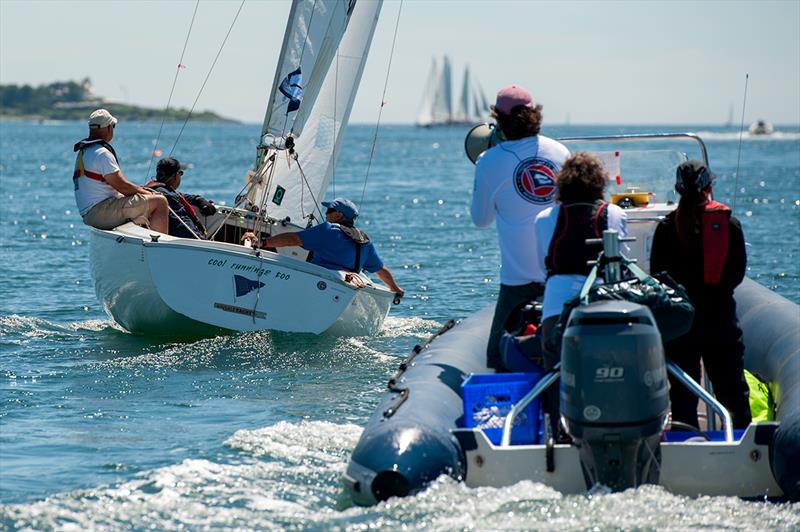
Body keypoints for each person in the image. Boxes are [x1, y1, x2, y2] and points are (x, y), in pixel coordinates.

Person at [470, 84, 570, 370]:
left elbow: (481, 220)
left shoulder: (488, 161)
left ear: (498, 121)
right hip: (560, 276)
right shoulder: (560, 151)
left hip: (518, 281)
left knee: (497, 359)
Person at [650, 160, 751, 429]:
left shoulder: (666, 227)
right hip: (720, 320)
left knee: (683, 396)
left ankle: (687, 443)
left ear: (677, 189)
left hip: (682, 325)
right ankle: (741, 445)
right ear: (709, 187)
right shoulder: (730, 224)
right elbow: (736, 275)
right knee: (733, 393)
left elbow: (658, 276)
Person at [534, 152, 628, 438]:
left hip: (556, 308)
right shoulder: (614, 214)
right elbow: (622, 262)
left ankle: (557, 434)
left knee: (555, 372)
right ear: (599, 182)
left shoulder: (544, 218)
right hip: (604, 307)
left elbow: (543, 265)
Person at [241, 198, 404, 296]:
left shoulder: (328, 230)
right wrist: (395, 288)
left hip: (318, 283)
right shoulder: (365, 240)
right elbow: (380, 270)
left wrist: (263, 243)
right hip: (349, 287)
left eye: (329, 210)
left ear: (339, 215)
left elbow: (292, 239)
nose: (326, 213)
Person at [72, 109, 168, 232]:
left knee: (142, 199)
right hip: (100, 213)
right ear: (108, 128)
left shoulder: (84, 151)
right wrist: (149, 194)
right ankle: (159, 247)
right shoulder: (102, 154)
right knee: (160, 202)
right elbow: (122, 187)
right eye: (113, 126)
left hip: (89, 213)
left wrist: (141, 193)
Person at [145, 157, 216, 239]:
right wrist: (204, 242)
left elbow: (185, 197)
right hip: (184, 246)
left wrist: (201, 201)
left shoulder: (154, 189)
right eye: (181, 173)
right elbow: (184, 230)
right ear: (176, 175)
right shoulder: (170, 198)